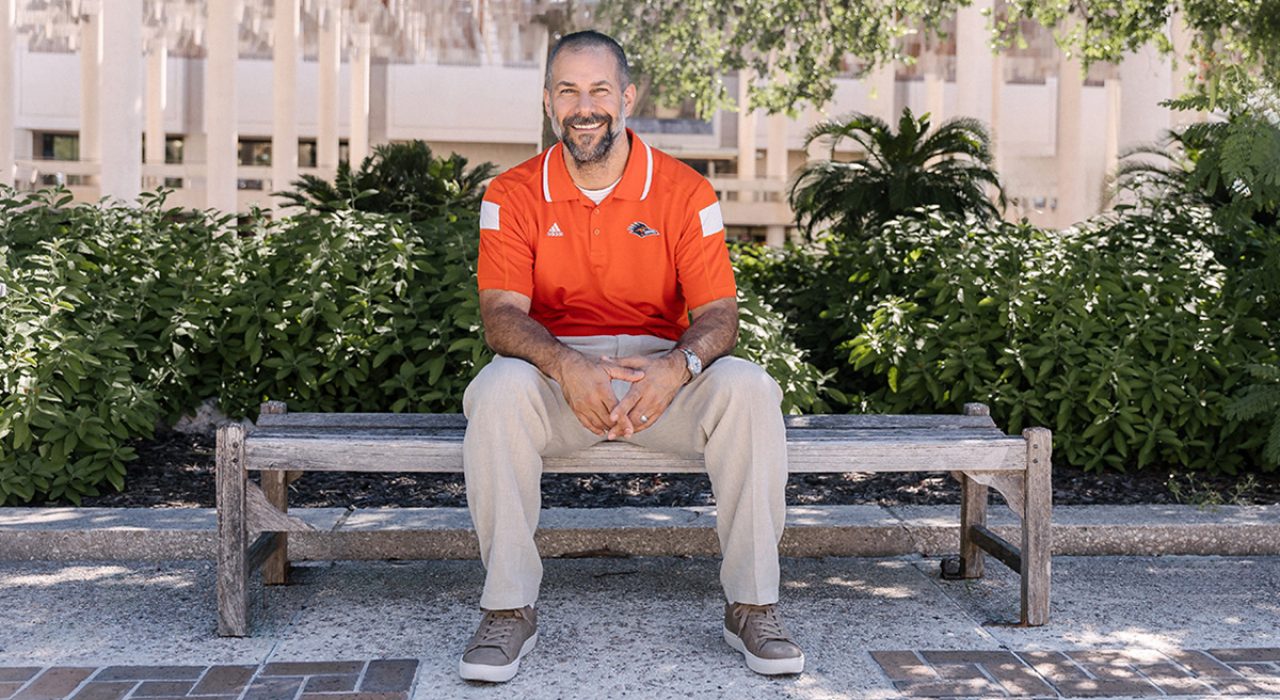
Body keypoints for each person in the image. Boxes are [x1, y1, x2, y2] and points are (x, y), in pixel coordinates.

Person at [459, 29, 804, 683]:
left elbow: (719, 316)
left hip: (661, 382)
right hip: (556, 386)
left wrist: (678, 368)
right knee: (499, 386)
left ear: (627, 96)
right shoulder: (510, 193)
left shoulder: (686, 192)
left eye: (598, 90)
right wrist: (565, 365)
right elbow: (502, 316)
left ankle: (753, 604)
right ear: (547, 102)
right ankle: (508, 610)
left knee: (751, 389)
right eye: (568, 91)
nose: (583, 106)